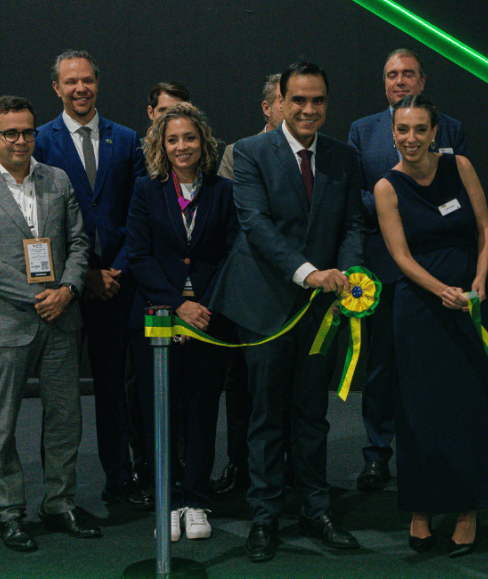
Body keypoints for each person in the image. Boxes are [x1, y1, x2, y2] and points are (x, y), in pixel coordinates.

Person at [209, 61, 366, 563]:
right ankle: (264, 516)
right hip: (265, 305)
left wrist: (349, 276)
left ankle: (317, 510)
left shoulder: (343, 156)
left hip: (322, 309)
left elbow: (353, 226)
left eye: (317, 100)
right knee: (265, 417)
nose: (308, 109)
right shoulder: (250, 152)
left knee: (312, 415)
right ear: (280, 99)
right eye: (299, 100)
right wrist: (309, 273)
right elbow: (256, 226)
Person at [0, 95, 100, 552]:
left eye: (27, 132)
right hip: (6, 323)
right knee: (1, 424)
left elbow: (79, 242)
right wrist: (40, 297)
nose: (20, 140)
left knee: (65, 418)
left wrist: (68, 289)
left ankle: (59, 502)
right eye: (10, 133)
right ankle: (9, 511)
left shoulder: (57, 179)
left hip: (62, 319)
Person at [373, 94, 488, 557]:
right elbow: (400, 256)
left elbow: (485, 229)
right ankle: (421, 508)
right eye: (403, 129)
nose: (411, 138)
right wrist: (441, 290)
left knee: (473, 404)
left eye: (420, 129)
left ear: (435, 132)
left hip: (470, 302)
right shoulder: (386, 187)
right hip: (421, 308)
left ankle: (468, 510)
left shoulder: (461, 167)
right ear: (393, 133)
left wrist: (480, 275)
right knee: (421, 409)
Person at [33, 49, 150, 509]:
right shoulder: (40, 141)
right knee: (58, 396)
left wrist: (113, 268)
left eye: (87, 80)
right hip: (63, 287)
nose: (80, 88)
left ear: (97, 84)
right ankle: (57, 494)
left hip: (116, 283)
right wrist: (83, 275)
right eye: (71, 81)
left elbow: (138, 211)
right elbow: (38, 220)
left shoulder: (127, 139)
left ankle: (119, 480)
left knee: (113, 389)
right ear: (56, 88)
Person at [347, 48, 469, 492]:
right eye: (392, 75)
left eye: (408, 74)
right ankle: (377, 454)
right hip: (384, 267)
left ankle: (435, 452)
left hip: (440, 267)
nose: (400, 81)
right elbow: (356, 196)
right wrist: (400, 204)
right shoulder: (362, 130)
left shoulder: (451, 128)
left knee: (437, 366)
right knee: (382, 366)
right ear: (384, 84)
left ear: (422, 81)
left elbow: (460, 193)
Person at [127, 102, 238, 541]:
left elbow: (230, 254)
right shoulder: (146, 190)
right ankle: (168, 502)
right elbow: (139, 255)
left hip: (209, 317)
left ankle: (197, 500)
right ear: (161, 145)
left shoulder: (223, 191)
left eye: (189, 137)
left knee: (201, 408)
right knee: (159, 411)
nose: (181, 146)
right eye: (172, 139)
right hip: (158, 316)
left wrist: (201, 308)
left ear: (203, 141)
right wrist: (178, 305)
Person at [212, 72, 283, 497]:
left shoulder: (320, 153)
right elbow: (234, 218)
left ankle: (291, 472)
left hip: (299, 288)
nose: (297, 108)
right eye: (286, 100)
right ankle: (240, 464)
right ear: (267, 107)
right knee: (241, 386)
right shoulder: (237, 152)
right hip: (249, 285)